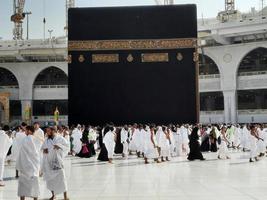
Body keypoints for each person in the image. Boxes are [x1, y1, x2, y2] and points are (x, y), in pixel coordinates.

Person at [42, 127, 69, 200]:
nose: (47, 132)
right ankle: (53, 195)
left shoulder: (60, 139)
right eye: (46, 131)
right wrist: (44, 151)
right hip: (49, 162)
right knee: (50, 180)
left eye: (48, 131)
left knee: (62, 179)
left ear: (53, 131)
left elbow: (67, 147)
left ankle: (65, 196)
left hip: (58, 161)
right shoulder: (46, 140)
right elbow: (43, 148)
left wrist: (59, 146)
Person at [16, 126, 40, 200]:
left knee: (23, 185)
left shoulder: (27, 138)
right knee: (34, 184)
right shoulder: (36, 138)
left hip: (25, 165)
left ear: (29, 131)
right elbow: (36, 152)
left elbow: (24, 151)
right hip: (34, 166)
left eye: (26, 130)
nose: (24, 132)